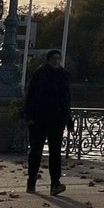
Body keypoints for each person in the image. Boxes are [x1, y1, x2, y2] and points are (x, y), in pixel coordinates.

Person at [23, 49, 72, 195]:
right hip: (39, 118)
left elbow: (66, 100)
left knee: (55, 153)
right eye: (54, 59)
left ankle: (55, 184)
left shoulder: (63, 76)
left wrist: (68, 119)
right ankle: (31, 182)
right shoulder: (40, 74)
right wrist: (29, 115)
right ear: (49, 60)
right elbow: (30, 95)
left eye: (59, 58)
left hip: (57, 120)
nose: (57, 61)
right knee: (35, 151)